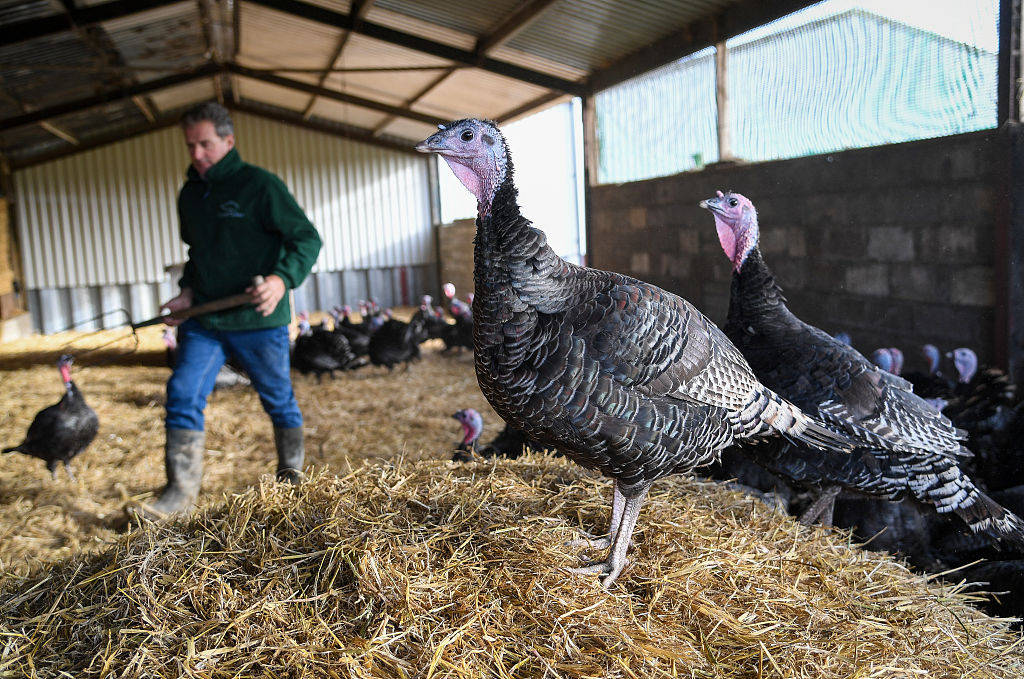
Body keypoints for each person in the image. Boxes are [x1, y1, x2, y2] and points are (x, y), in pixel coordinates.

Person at [137, 102, 322, 518]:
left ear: (228, 141)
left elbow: (306, 240)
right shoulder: (191, 194)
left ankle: (291, 480)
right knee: (182, 392)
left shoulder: (260, 186)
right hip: (204, 318)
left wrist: (280, 280)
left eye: (205, 144)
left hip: (258, 317)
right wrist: (186, 293)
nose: (197, 154)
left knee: (277, 398)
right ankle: (179, 495)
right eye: (191, 145)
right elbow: (197, 253)